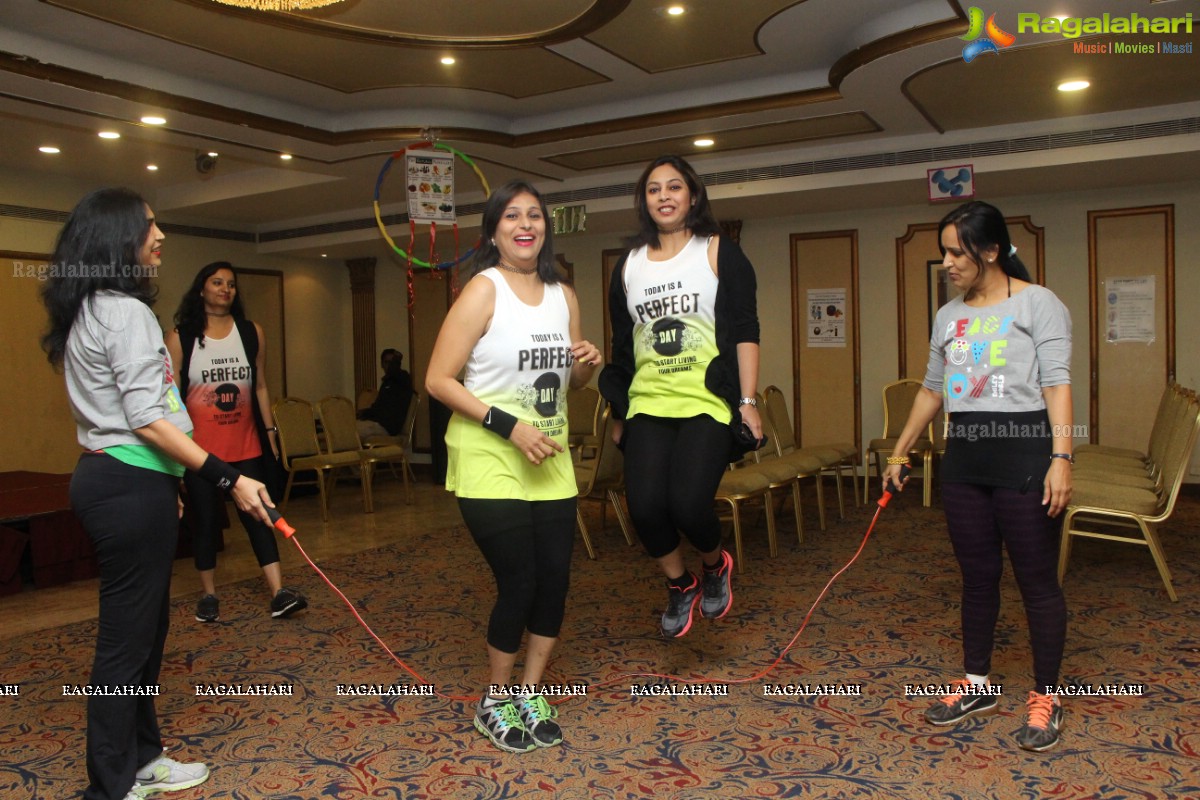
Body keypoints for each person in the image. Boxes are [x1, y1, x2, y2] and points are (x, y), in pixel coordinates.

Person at [41, 188, 275, 800]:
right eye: (149, 226)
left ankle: (141, 759)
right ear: (119, 238)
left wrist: (165, 481)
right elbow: (148, 418)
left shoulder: (93, 306)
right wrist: (227, 476)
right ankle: (111, 783)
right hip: (124, 480)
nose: (160, 235)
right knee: (126, 642)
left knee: (145, 633)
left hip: (125, 478)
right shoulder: (122, 310)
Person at [883, 199, 1072, 752]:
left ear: (990, 250)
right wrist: (900, 452)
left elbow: (1057, 384)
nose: (946, 262)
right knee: (976, 577)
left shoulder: (1038, 303)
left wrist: (1062, 458)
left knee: (1037, 584)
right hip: (964, 460)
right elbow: (933, 389)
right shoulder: (948, 315)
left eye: (955, 250)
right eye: (942, 251)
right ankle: (977, 683)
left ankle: (1047, 697)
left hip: (1024, 455)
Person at [426, 180, 601, 753]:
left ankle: (531, 691)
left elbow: (572, 381)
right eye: (512, 216)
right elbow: (438, 380)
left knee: (555, 581)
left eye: (534, 216)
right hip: (488, 455)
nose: (525, 225)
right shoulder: (483, 290)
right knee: (520, 579)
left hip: (548, 457)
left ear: (546, 227)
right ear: (494, 229)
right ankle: (494, 701)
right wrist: (508, 426)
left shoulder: (564, 294)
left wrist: (587, 365)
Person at [598, 154, 762, 639]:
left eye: (674, 186)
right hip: (648, 403)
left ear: (692, 195)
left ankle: (715, 565)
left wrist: (748, 401)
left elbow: (746, 329)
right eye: (654, 189)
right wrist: (618, 411)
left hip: (707, 401)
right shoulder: (627, 266)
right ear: (644, 201)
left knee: (689, 505)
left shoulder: (717, 251)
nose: (664, 196)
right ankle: (680, 583)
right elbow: (621, 345)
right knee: (645, 507)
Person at [165, 261, 308, 623]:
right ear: (201, 289)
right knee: (207, 523)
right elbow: (171, 397)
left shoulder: (250, 332)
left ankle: (278, 592)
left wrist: (272, 433)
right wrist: (176, 452)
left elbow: (259, 386)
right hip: (200, 453)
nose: (225, 289)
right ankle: (208, 595)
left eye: (230, 284)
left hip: (246, 445)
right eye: (216, 282)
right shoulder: (180, 337)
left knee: (259, 516)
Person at [357, 348, 414, 439]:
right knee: (347, 426)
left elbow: (395, 372)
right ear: (382, 364)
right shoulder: (386, 383)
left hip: (388, 427)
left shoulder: (403, 378)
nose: (390, 365)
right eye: (387, 362)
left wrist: (397, 359)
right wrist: (363, 413)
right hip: (377, 423)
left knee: (350, 430)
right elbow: (378, 408)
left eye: (393, 362)